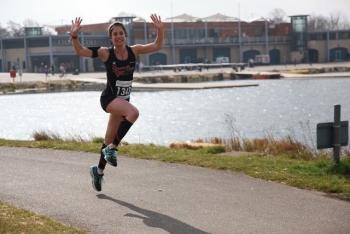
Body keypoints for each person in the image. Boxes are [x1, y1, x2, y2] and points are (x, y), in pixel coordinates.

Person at [70, 14, 164, 192]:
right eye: (115, 34)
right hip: (109, 99)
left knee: (108, 139)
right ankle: (112, 149)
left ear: (125, 36)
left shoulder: (134, 51)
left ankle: (98, 171)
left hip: (123, 102)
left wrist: (160, 30)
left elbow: (157, 45)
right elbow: (80, 51)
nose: (119, 36)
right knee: (133, 114)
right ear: (111, 37)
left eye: (121, 33)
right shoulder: (106, 53)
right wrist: (74, 36)